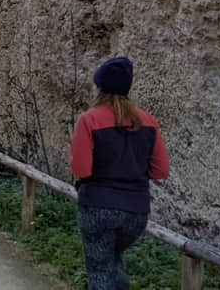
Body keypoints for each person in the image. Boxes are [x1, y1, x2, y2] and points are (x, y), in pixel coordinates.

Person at [70, 57, 170, 290]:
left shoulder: (89, 119)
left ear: (99, 87)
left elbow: (81, 169)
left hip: (98, 208)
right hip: (136, 213)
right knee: (112, 265)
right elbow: (160, 170)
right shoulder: (148, 121)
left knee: (100, 274)